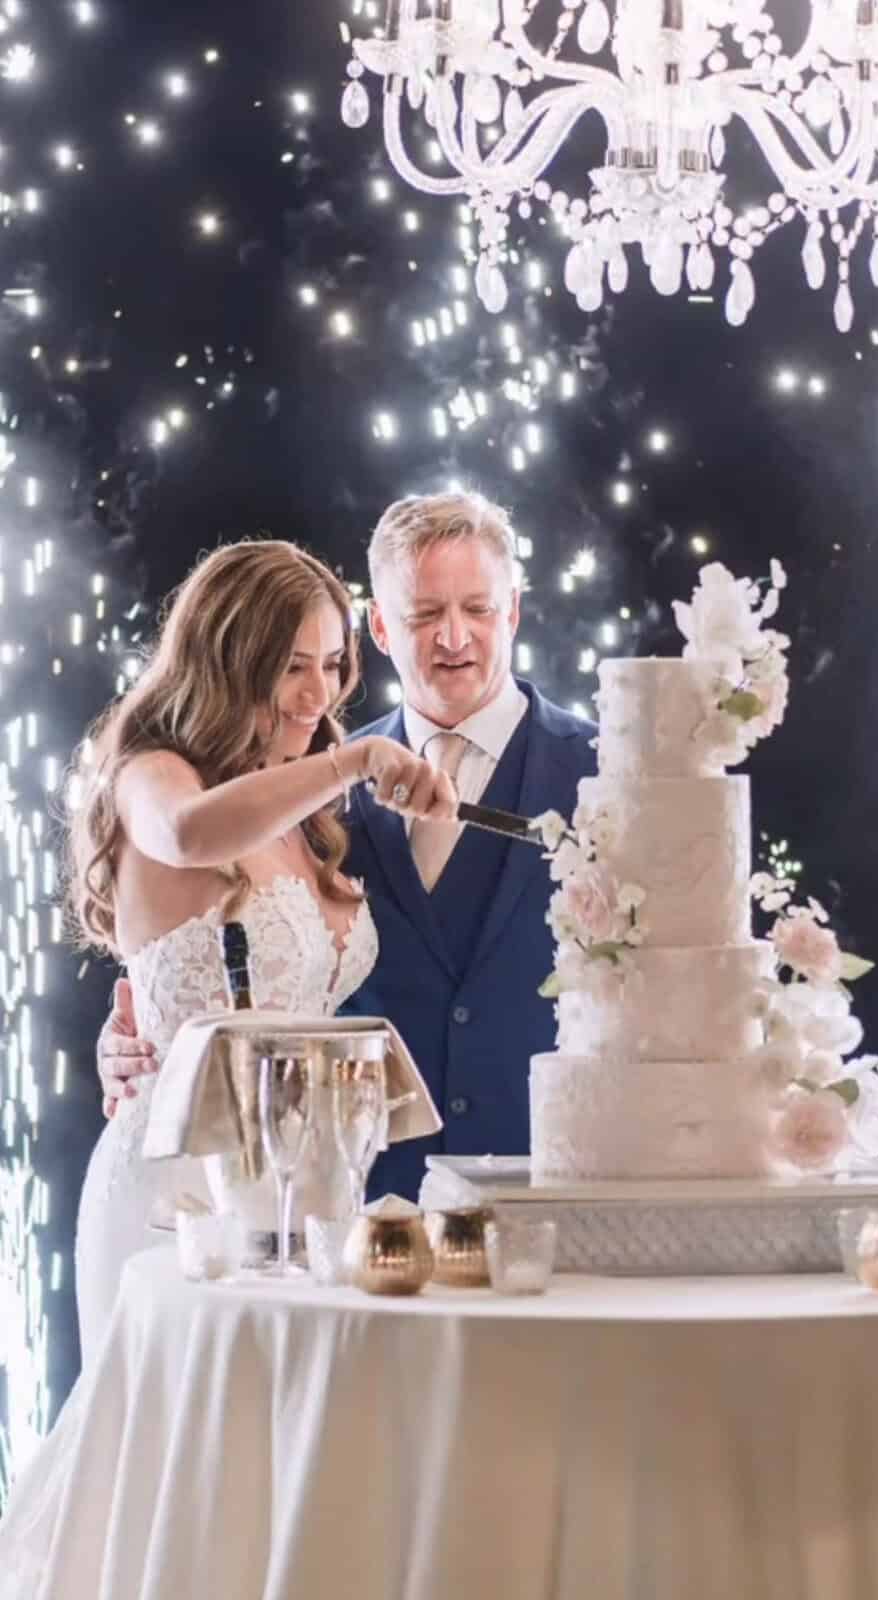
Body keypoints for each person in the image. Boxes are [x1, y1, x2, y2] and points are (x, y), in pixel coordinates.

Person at [100, 492, 597, 1202]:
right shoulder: (318, 784)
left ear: (512, 610)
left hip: (553, 1180)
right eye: (424, 614)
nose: (453, 638)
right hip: (350, 1194)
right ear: (382, 629)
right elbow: (201, 913)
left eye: (478, 609)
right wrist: (137, 1041)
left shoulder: (610, 774)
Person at [67, 537, 456, 1364]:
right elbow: (188, 834)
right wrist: (349, 761)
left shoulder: (304, 812)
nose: (318, 694)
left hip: (304, 1192)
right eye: (289, 667)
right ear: (226, 661)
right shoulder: (152, 773)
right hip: (179, 1187)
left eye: (332, 664)